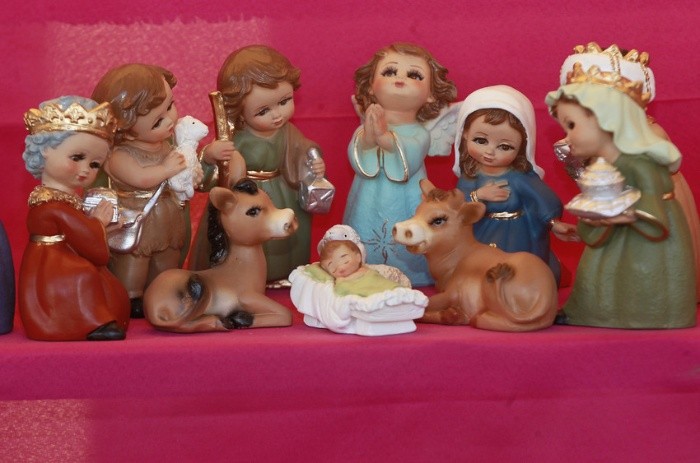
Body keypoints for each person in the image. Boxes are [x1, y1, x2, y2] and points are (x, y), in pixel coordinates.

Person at [546, 62, 696, 329]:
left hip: (646, 241)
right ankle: (592, 311)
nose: (567, 138)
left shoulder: (641, 164)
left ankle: (648, 315)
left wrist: (624, 215)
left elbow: (655, 207)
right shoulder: (603, 164)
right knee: (597, 272)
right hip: (612, 234)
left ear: (606, 121)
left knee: (641, 276)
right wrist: (594, 217)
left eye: (572, 126)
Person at [190, 45, 325, 287]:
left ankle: (285, 273)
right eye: (263, 111)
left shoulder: (288, 133)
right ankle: (246, 276)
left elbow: (304, 151)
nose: (277, 115)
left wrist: (313, 163)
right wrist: (210, 156)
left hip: (282, 193)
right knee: (252, 236)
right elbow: (215, 177)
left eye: (284, 101)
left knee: (286, 234)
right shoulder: (235, 138)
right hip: (249, 198)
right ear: (240, 113)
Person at [91, 63, 205, 317]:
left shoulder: (166, 145)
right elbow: (140, 178)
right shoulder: (118, 156)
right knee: (135, 261)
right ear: (126, 132)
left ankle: (163, 290)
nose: (171, 120)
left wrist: (191, 175)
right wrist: (166, 169)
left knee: (166, 259)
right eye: (158, 121)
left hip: (166, 218)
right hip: (136, 219)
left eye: (170, 106)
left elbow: (181, 175)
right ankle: (131, 295)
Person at [343, 42, 457, 286]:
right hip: (368, 196)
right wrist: (369, 136)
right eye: (390, 71)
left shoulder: (420, 133)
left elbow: (410, 157)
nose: (400, 79)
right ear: (371, 86)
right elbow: (357, 156)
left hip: (407, 198)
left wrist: (384, 137)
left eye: (414, 75)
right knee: (363, 226)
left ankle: (410, 273)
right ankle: (363, 267)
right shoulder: (365, 128)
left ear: (430, 94)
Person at [18, 95, 130, 340]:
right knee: (82, 276)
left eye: (94, 164)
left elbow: (82, 237)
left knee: (105, 280)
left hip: (65, 260)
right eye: (77, 157)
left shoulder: (65, 201)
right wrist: (98, 223)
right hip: (52, 272)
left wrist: (104, 230)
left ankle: (100, 320)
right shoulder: (49, 205)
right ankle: (84, 324)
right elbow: (90, 245)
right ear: (45, 150)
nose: (85, 170)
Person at [453, 85, 577, 285]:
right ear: (465, 134)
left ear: (522, 146)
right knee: (478, 271)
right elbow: (457, 203)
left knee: (513, 273)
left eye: (504, 146)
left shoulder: (519, 177)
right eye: (481, 140)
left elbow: (541, 199)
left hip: (515, 237)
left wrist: (554, 224)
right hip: (480, 233)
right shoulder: (471, 175)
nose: (490, 152)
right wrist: (478, 195)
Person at [318, 240, 400, 297]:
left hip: (390, 290)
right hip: (372, 298)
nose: (341, 267)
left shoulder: (367, 270)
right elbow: (342, 290)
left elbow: (378, 280)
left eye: (346, 261)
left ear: (358, 257)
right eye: (333, 268)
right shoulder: (342, 281)